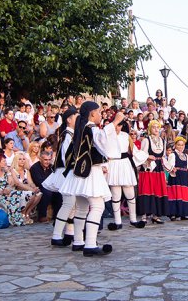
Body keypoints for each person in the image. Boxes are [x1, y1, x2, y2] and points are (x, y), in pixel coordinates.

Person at [58, 101, 118, 256]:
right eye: (98, 112)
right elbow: (104, 143)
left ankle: (78, 241)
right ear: (92, 113)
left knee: (82, 208)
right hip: (90, 173)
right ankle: (90, 244)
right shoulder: (91, 128)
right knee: (98, 206)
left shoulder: (81, 128)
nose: (100, 115)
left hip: (79, 173)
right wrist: (115, 122)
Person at [45, 107, 78, 247]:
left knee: (73, 205)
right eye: (76, 117)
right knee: (68, 204)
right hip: (67, 172)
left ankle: (69, 232)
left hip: (71, 172)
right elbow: (67, 157)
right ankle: (56, 235)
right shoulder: (67, 135)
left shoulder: (72, 134)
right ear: (69, 120)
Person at [106, 120, 146, 229]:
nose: (117, 127)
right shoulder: (107, 135)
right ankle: (117, 221)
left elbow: (134, 150)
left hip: (124, 164)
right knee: (115, 194)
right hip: (113, 163)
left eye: (119, 125)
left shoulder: (126, 136)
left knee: (130, 192)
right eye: (116, 124)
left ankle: (133, 219)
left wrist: (145, 156)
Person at [137, 120, 168, 224]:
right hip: (149, 168)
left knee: (158, 190)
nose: (156, 129)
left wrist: (169, 167)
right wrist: (148, 158)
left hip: (158, 168)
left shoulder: (163, 141)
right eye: (153, 127)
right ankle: (144, 215)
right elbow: (142, 155)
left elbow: (163, 156)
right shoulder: (146, 140)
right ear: (150, 129)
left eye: (157, 127)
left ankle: (156, 215)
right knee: (147, 189)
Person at [164, 137, 188, 220]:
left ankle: (183, 214)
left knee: (184, 194)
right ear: (175, 145)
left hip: (184, 176)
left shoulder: (185, 155)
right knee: (175, 194)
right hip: (176, 176)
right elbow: (169, 165)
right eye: (179, 145)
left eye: (182, 145)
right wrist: (172, 168)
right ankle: (173, 214)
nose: (180, 147)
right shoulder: (172, 155)